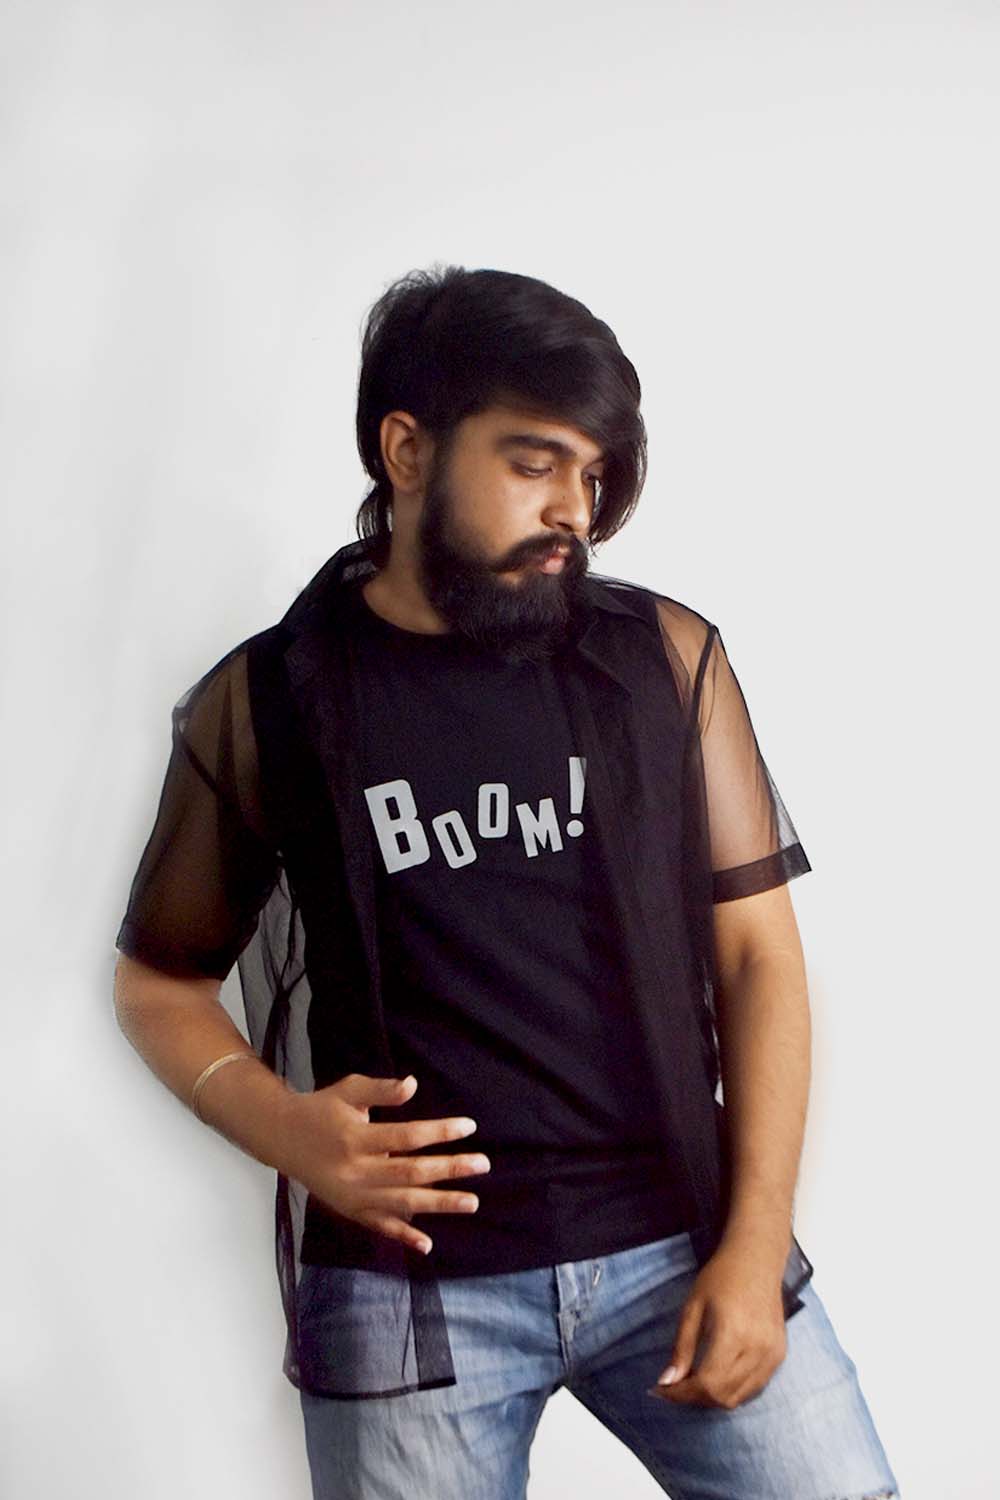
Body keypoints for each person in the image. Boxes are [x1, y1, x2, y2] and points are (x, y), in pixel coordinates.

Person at [114, 265, 900, 1500]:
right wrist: (288, 1130)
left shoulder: (660, 663)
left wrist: (754, 1249)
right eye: (534, 464)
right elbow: (158, 983)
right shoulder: (273, 700)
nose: (572, 511)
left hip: (675, 1236)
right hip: (407, 1291)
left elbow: (758, 958)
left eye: (591, 476)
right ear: (406, 449)